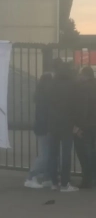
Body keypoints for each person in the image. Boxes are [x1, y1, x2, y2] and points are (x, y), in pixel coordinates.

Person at [48, 62, 79, 192]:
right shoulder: (72, 86)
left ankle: (54, 182)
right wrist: (76, 124)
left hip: (53, 124)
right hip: (67, 124)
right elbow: (75, 106)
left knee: (53, 154)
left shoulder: (52, 85)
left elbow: (48, 103)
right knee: (66, 154)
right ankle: (65, 183)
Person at [24, 73, 53, 189]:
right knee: (45, 155)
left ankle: (45, 177)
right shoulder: (44, 96)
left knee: (48, 154)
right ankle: (31, 177)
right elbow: (43, 116)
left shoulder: (41, 94)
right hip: (44, 128)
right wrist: (48, 128)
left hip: (42, 128)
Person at [73, 66, 96, 188]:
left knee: (84, 153)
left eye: (80, 74)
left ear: (85, 75)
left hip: (86, 126)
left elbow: (83, 109)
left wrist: (78, 127)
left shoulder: (84, 88)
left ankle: (87, 180)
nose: (78, 76)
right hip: (94, 125)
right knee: (92, 152)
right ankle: (93, 178)